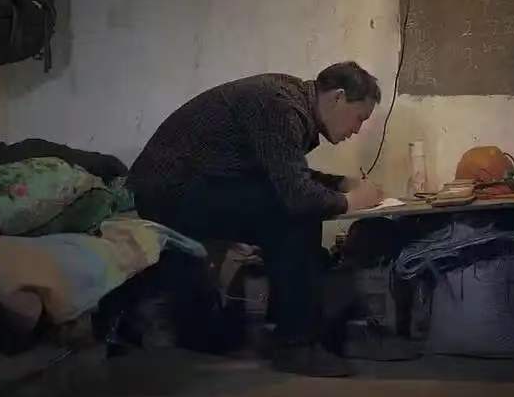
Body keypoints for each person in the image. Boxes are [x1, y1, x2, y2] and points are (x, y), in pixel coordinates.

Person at [128, 61, 384, 376]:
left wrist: (341, 183)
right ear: (338, 97)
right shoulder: (280, 105)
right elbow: (296, 195)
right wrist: (350, 201)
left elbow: (282, 171)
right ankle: (295, 345)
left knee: (296, 209)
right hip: (167, 192)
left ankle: (287, 325)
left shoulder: (289, 102)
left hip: (190, 186)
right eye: (359, 118)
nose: (357, 130)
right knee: (296, 217)